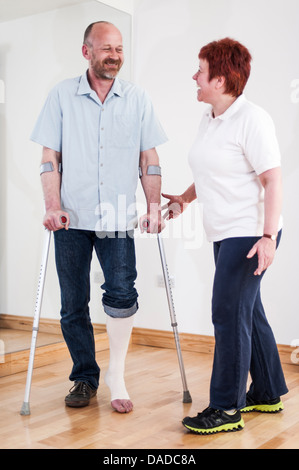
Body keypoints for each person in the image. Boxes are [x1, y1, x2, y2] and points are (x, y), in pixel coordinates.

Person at [31, 21, 167, 414]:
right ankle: (84, 377)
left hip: (118, 218)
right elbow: (49, 158)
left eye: (120, 49)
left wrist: (154, 206)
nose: (115, 55)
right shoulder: (61, 96)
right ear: (86, 51)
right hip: (70, 218)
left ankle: (117, 375)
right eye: (107, 48)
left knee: (122, 295)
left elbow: (149, 159)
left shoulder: (137, 98)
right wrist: (51, 205)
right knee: (74, 303)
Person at [162, 37, 288, 434]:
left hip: (249, 235)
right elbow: (213, 171)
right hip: (224, 233)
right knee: (247, 312)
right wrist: (185, 198)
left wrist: (267, 237)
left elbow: (272, 180)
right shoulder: (212, 118)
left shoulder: (253, 119)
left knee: (228, 315)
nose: (194, 77)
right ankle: (266, 392)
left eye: (200, 71)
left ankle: (226, 409)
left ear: (219, 78)